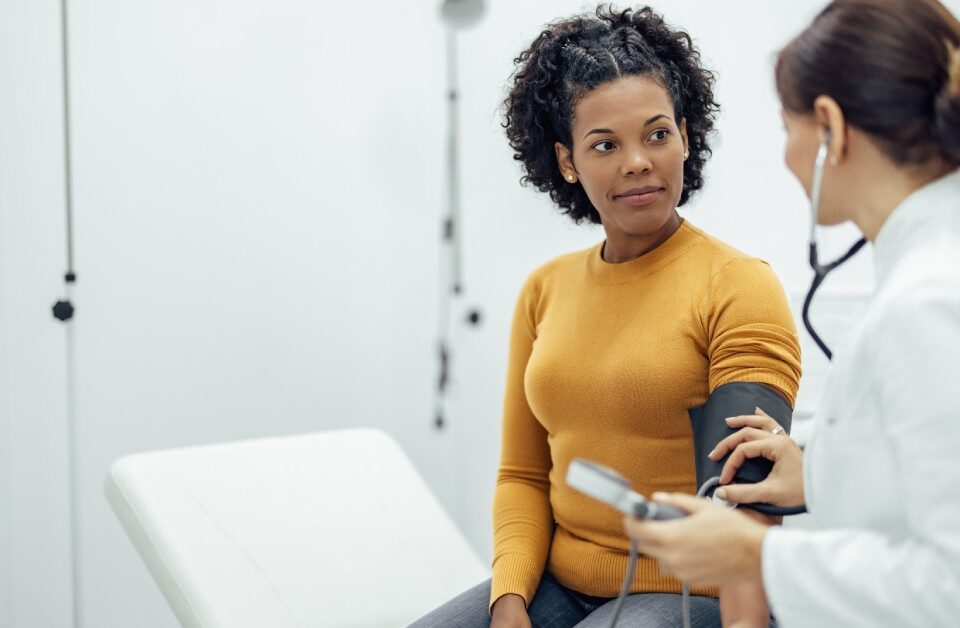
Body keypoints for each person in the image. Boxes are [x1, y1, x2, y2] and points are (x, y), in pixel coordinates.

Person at [413, 5, 801, 627]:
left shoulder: (738, 286)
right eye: (604, 144)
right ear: (568, 162)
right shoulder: (545, 290)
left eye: (656, 134)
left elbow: (746, 502)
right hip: (558, 584)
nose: (638, 162)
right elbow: (521, 473)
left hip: (688, 593)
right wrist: (509, 600)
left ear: (684, 135)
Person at [624, 0, 960, 626]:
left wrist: (760, 556)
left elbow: (952, 584)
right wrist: (821, 474)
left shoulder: (929, 303)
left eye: (788, 129)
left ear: (830, 127)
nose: (786, 157)